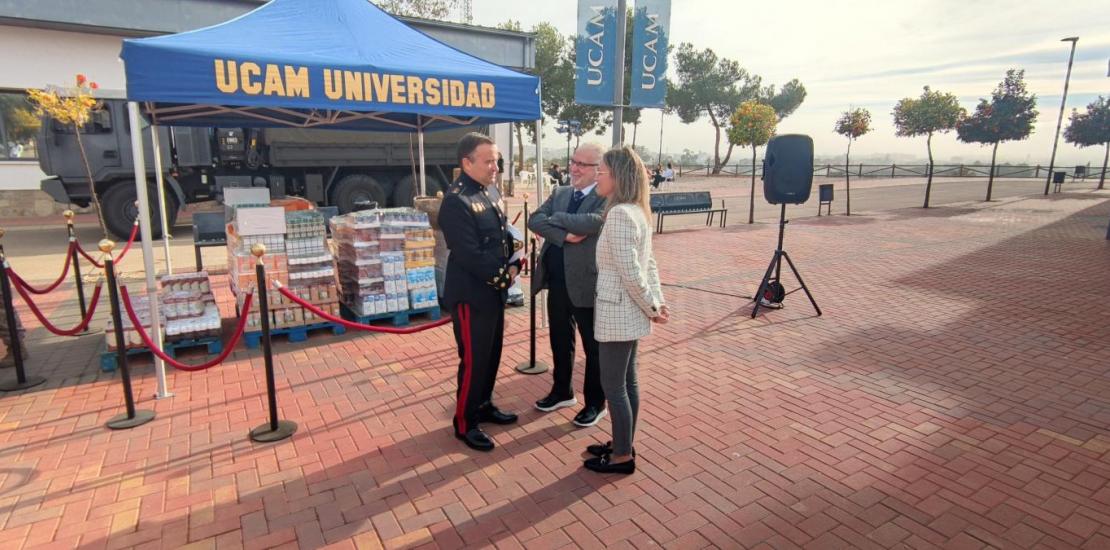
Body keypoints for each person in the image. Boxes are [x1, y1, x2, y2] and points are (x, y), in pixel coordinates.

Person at [584, 146, 668, 475]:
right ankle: (623, 443)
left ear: (618, 177)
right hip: (629, 310)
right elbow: (648, 264)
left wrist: (652, 306)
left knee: (614, 386)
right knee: (627, 383)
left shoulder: (620, 215)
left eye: (601, 172)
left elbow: (633, 271)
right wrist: (655, 302)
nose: (597, 176)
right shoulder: (635, 210)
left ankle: (621, 457)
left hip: (618, 311)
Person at [438, 133, 521, 451]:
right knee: (473, 360)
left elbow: (500, 235)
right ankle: (465, 422)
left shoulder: (489, 189)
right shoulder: (456, 201)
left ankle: (484, 404)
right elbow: (470, 253)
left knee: (492, 354)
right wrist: (507, 276)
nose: (495, 166)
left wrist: (515, 254)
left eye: (496, 160)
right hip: (472, 294)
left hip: (493, 292)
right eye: (488, 161)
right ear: (466, 163)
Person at [529, 143, 607, 428]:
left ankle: (596, 403)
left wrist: (555, 220)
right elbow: (533, 219)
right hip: (557, 281)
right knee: (560, 340)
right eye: (573, 161)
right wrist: (564, 235)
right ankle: (562, 391)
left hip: (587, 283)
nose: (573, 168)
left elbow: (592, 223)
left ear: (599, 170)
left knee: (593, 347)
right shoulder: (560, 192)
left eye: (582, 164)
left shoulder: (604, 197)